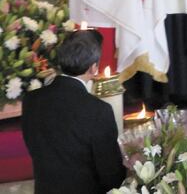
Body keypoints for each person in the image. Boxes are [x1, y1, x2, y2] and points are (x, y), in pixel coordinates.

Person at [22, 30, 126, 194]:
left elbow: (35, 147)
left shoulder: (31, 100)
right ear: (93, 68)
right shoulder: (98, 110)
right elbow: (111, 177)